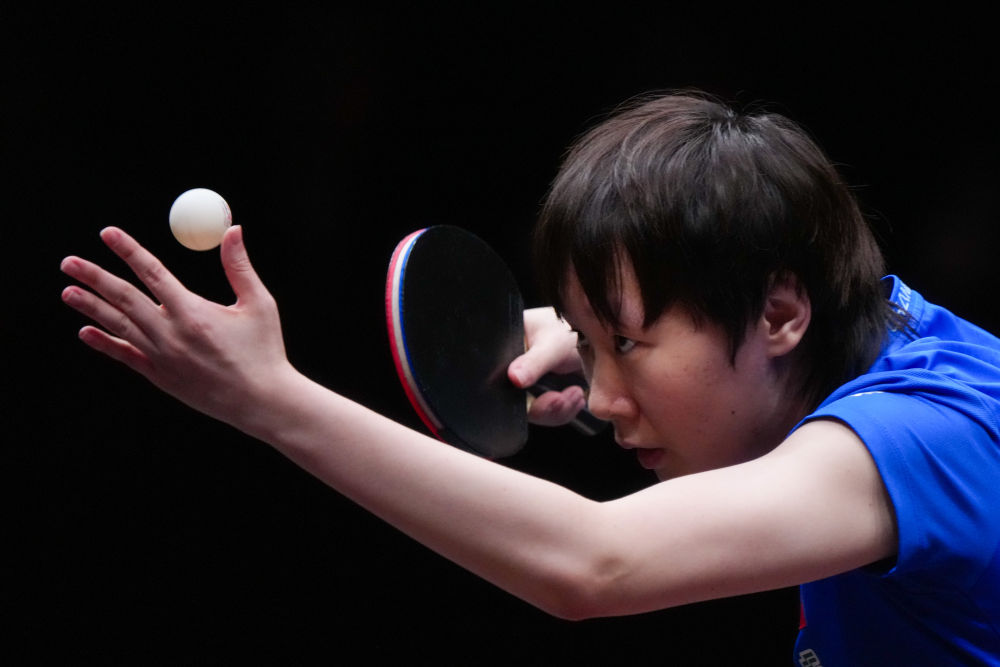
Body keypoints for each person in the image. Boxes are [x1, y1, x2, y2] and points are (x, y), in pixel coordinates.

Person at [60, 91, 1000, 665]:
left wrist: (268, 397)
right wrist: (597, 336)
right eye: (589, 346)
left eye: (626, 342)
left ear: (782, 316)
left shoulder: (924, 438)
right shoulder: (882, 321)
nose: (602, 400)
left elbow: (594, 562)